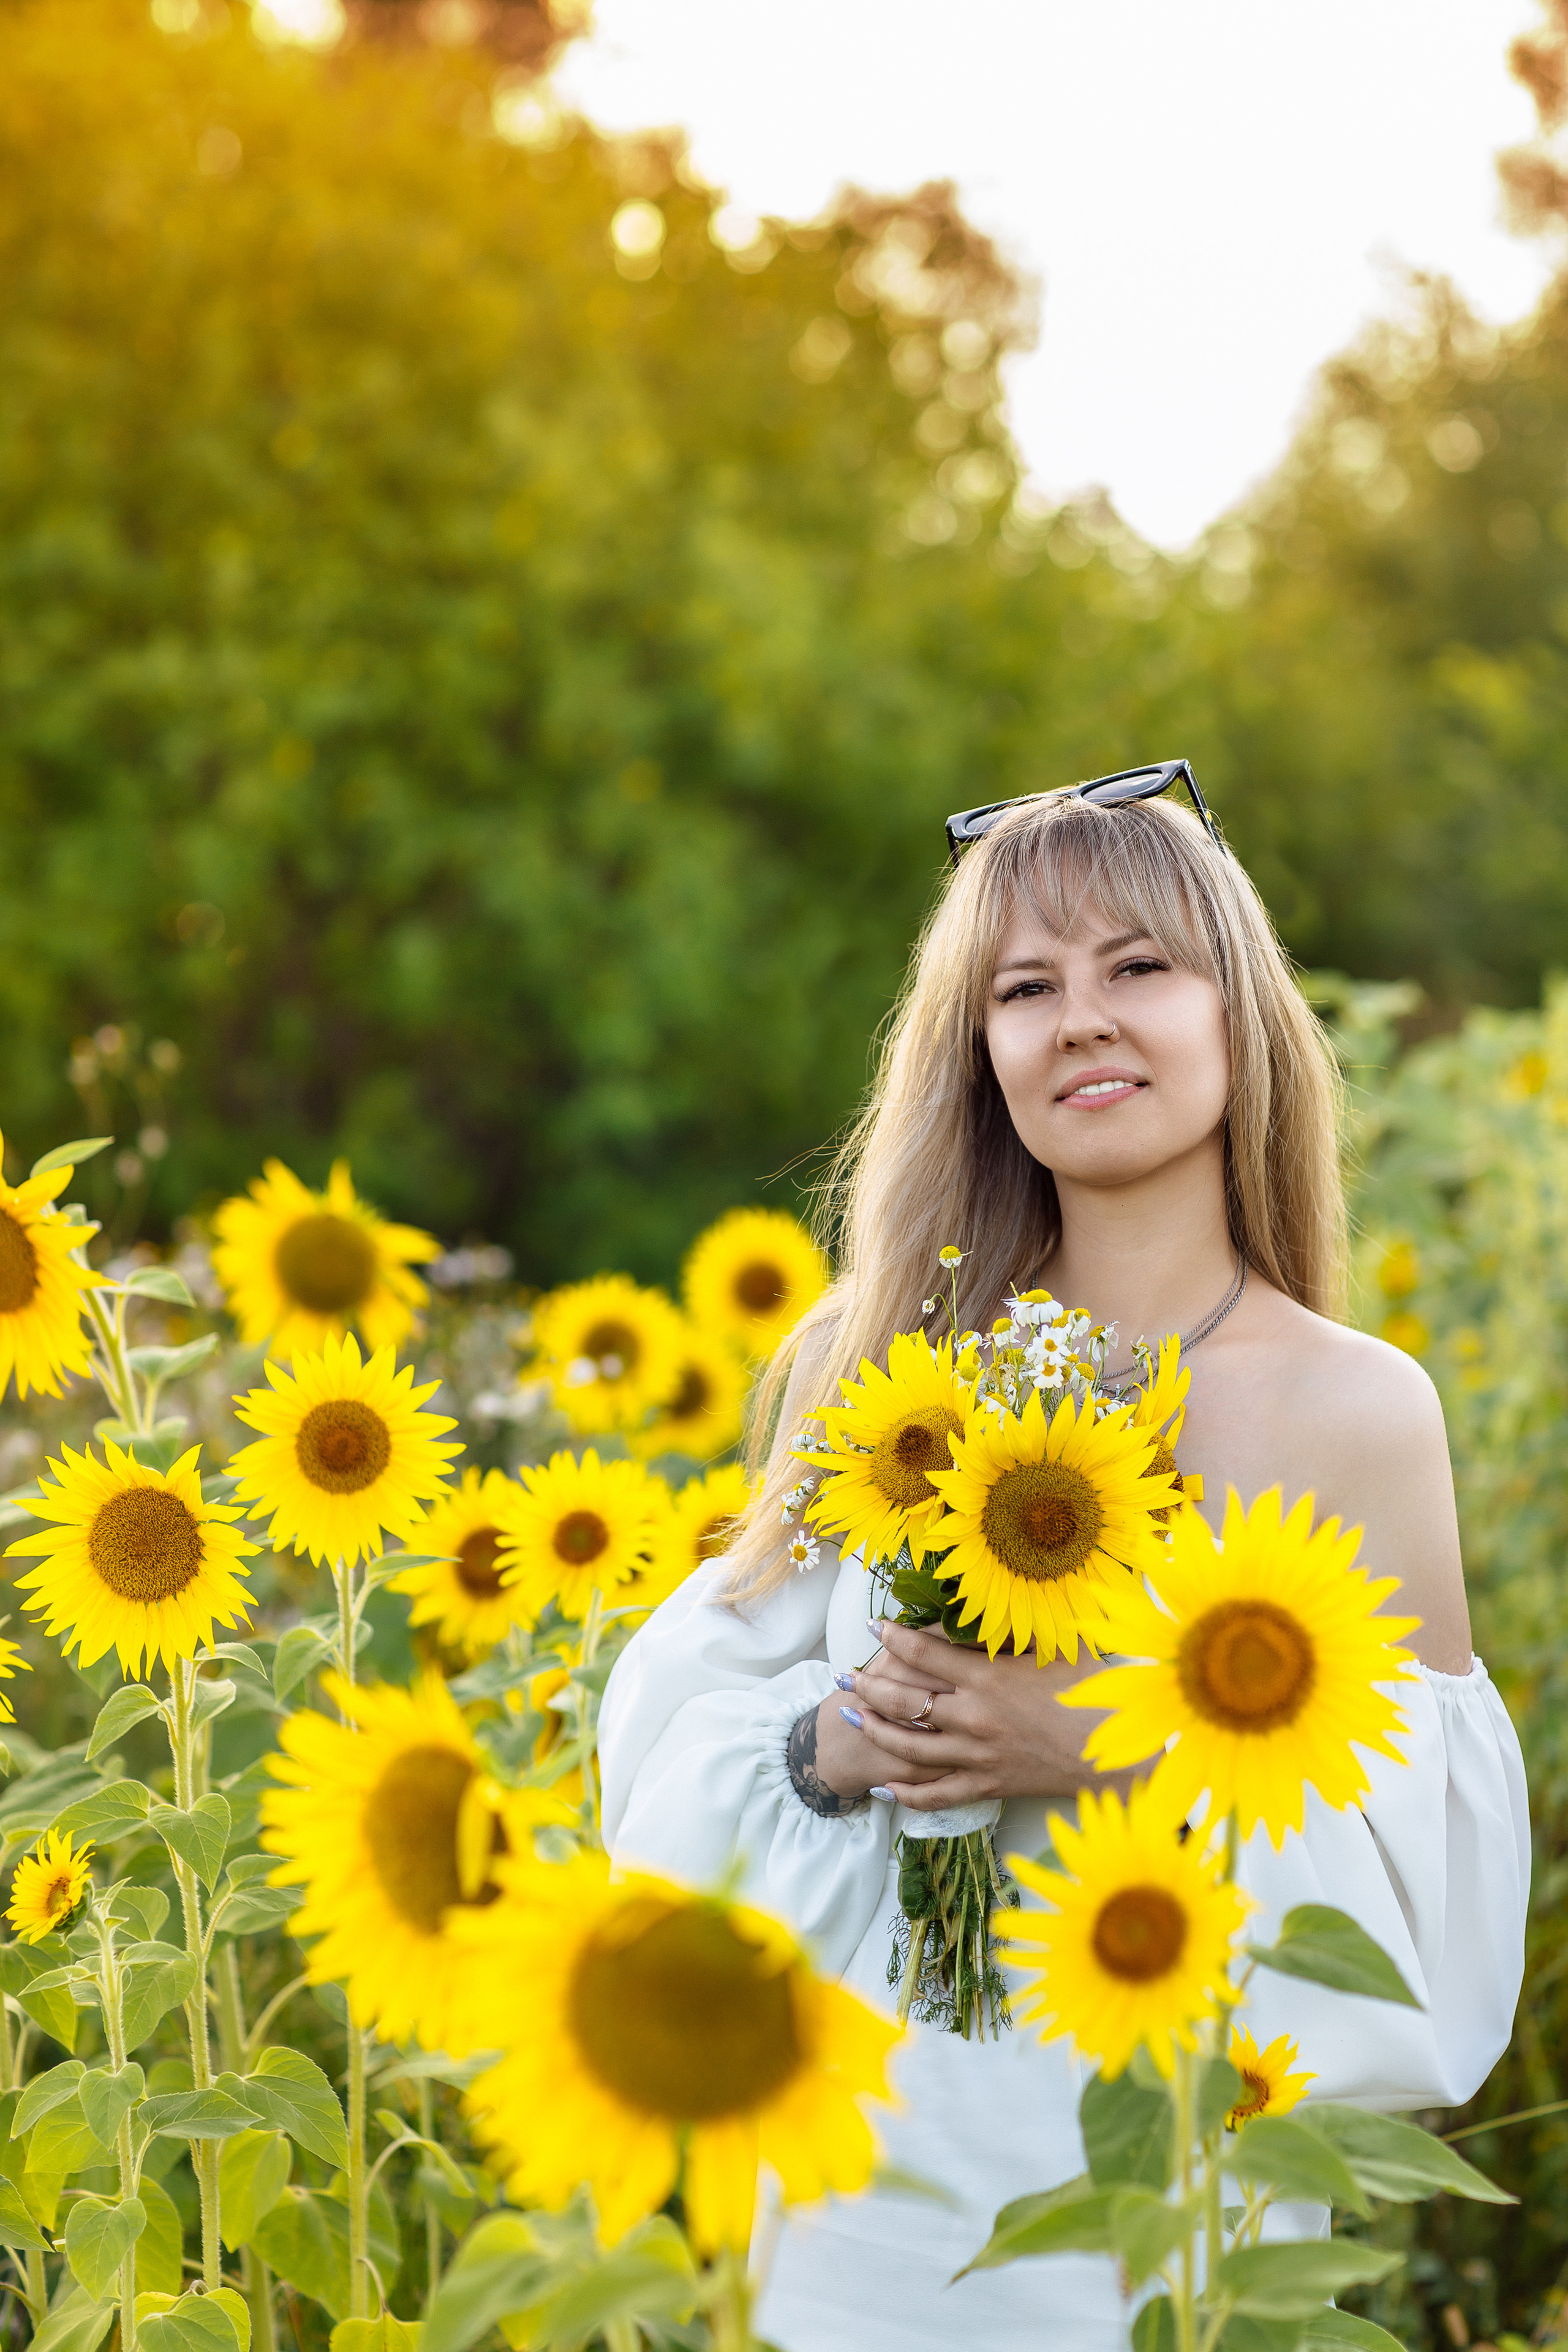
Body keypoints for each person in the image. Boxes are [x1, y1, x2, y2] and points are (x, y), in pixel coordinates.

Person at [597, 777, 1529, 2351]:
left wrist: (1098, 1742)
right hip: (864, 2197)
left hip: (1170, 2194)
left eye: (1136, 967)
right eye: (1023, 989)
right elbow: (659, 1757)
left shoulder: (1360, 1410)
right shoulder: (872, 1363)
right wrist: (832, 1747)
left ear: (1238, 1015)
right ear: (978, 1056)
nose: (1079, 1020)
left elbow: (1418, 1899)